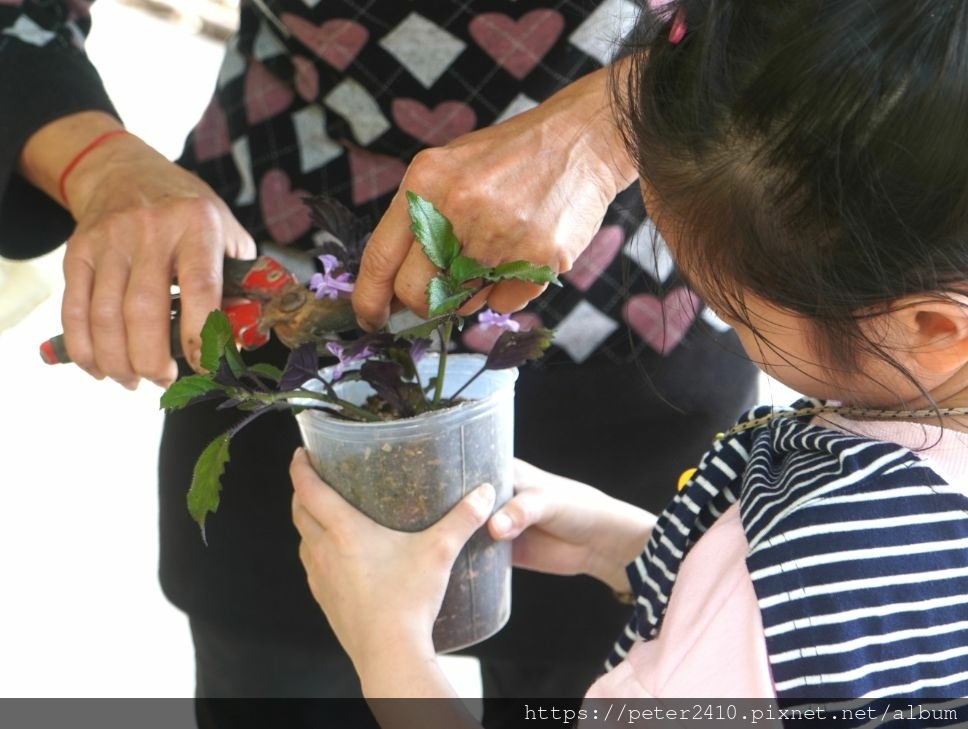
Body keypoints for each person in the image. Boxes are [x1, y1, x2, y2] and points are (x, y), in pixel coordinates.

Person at [0, 0, 757, 723]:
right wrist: (100, 163)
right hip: (282, 330)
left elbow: (838, 29)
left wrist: (604, 129)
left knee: (625, 666)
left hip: (633, 305)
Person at [291, 0, 968, 717]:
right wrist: (632, 547)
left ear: (930, 328)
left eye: (733, 312)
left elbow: (766, 633)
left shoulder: (792, 587)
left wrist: (390, 648)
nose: (730, 330)